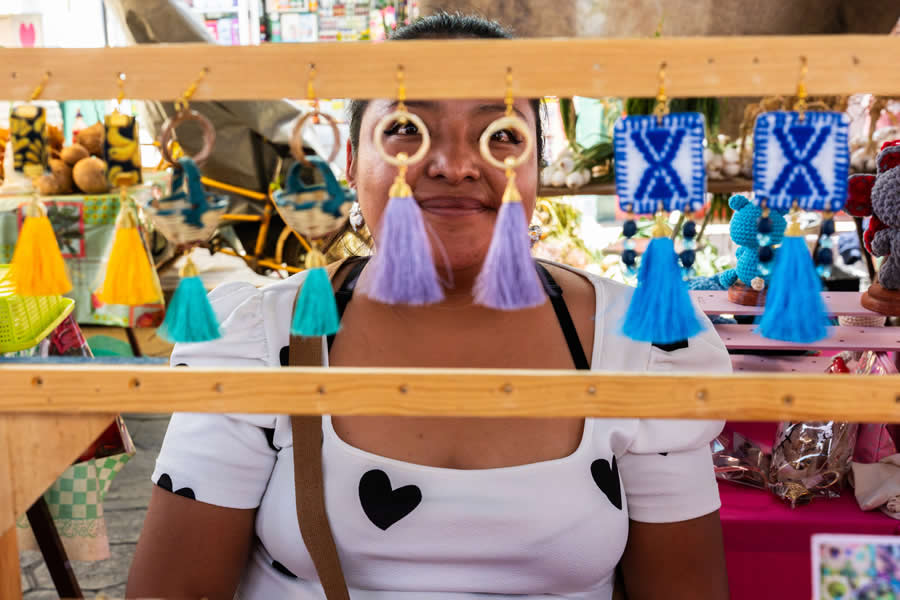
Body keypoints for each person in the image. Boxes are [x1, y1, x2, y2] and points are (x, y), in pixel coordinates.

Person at [127, 13, 731, 600]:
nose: (455, 164)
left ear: (537, 169)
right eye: (406, 130)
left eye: (501, 136)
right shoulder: (256, 339)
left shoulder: (642, 344)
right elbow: (175, 588)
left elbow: (683, 588)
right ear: (348, 165)